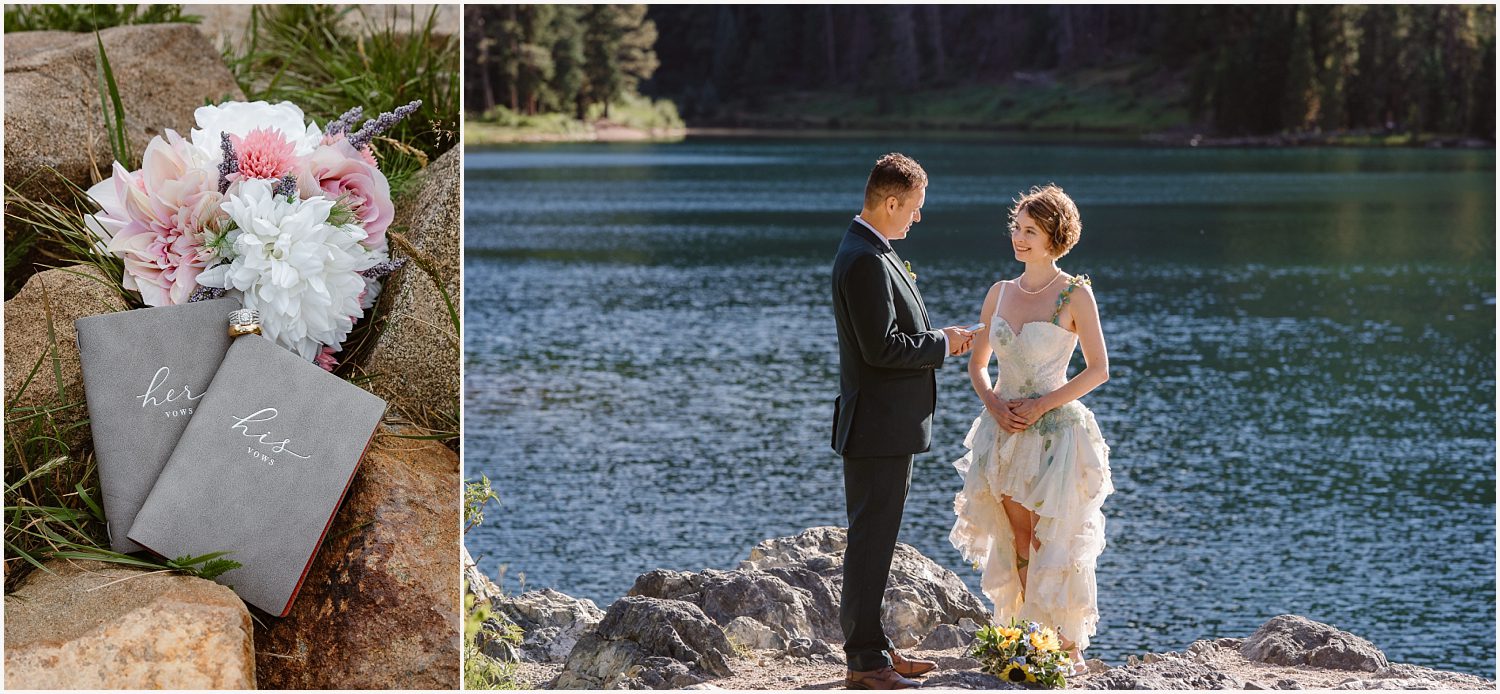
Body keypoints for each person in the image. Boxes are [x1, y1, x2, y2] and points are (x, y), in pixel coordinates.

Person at [948, 184, 1113, 672]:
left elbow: (1099, 369)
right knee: (1016, 537)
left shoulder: (1074, 293)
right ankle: (1026, 638)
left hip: (1056, 433)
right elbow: (978, 364)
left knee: (1053, 539)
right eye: (1016, 229)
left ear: (1054, 235)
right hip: (1002, 431)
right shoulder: (999, 293)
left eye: (1030, 231)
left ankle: (1066, 645)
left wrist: (1040, 406)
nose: (1019, 238)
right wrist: (993, 404)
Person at [830, 153, 975, 690]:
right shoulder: (865, 258)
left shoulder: (872, 250)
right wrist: (945, 344)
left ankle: (874, 648)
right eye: (914, 208)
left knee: (878, 540)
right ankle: (864, 664)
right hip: (877, 427)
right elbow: (882, 348)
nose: (918, 217)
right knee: (870, 542)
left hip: (883, 426)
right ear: (891, 202)